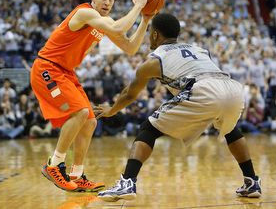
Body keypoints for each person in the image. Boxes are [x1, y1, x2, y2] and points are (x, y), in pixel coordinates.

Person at [94, 14, 261, 201]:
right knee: (229, 128)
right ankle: (252, 181)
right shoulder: (199, 49)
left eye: (150, 33)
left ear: (155, 35)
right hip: (232, 88)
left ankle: (127, 183)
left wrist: (112, 110)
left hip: (203, 88)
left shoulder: (154, 60)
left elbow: (129, 94)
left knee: (148, 129)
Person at [30, 0, 154, 192]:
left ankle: (77, 176)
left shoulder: (104, 21)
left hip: (66, 72)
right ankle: (53, 165)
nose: (107, 3)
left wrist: (144, 20)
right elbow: (119, 26)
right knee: (80, 112)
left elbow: (131, 47)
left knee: (89, 122)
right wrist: (139, 5)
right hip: (47, 68)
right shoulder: (84, 13)